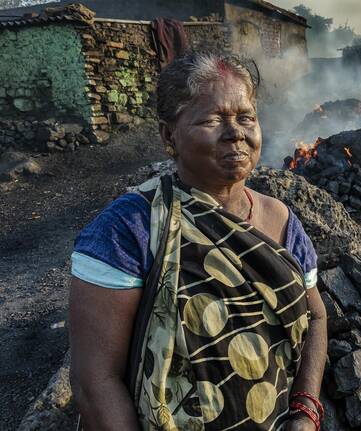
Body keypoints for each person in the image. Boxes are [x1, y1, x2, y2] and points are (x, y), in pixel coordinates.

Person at [69, 52, 328, 431]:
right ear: (168, 135)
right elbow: (95, 383)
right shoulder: (129, 229)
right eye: (211, 119)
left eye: (246, 117)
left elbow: (316, 315)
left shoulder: (283, 221)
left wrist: (305, 411)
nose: (236, 132)